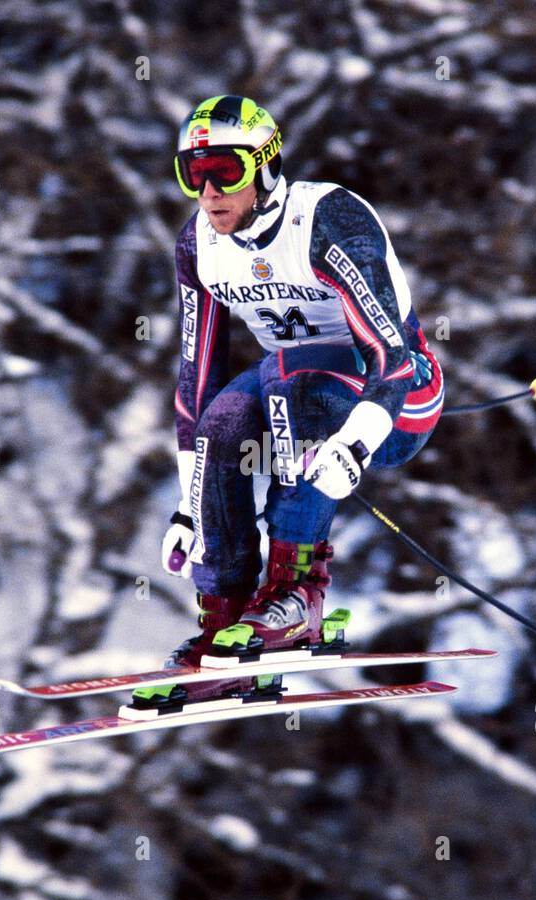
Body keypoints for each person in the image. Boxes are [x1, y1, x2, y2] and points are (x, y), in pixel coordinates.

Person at [138, 94, 444, 708]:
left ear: (267, 165)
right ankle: (225, 622)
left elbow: (393, 356)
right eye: (191, 174)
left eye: (226, 169)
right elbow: (196, 377)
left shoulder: (327, 220)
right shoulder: (200, 245)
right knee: (223, 421)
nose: (209, 190)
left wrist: (355, 442)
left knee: (288, 380)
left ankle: (297, 593)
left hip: (396, 400)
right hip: (290, 385)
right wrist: (189, 503)